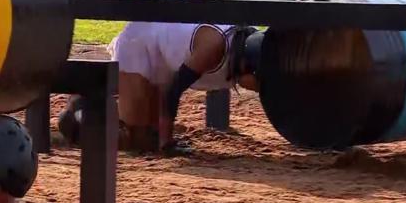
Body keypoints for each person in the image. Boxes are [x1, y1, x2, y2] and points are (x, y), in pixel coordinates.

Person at [59, 22, 263, 154]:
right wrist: (167, 142)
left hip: (165, 63)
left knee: (148, 140)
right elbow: (173, 91)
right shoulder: (214, 46)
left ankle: (111, 96)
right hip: (140, 45)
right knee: (133, 141)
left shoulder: (245, 50)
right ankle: (79, 110)